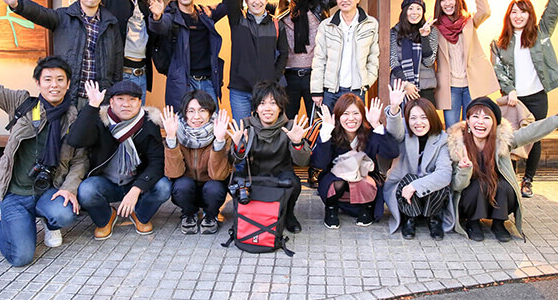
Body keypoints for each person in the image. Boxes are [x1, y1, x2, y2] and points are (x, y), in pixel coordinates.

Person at [0, 56, 88, 267]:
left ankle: (49, 222)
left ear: (68, 84)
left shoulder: (73, 117)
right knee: (21, 257)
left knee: (64, 213)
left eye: (60, 79)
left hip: (48, 191)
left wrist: (69, 189)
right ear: (38, 83)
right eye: (48, 79)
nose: (54, 85)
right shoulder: (22, 104)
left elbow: (80, 160)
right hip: (16, 194)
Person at [490, 0, 558, 198]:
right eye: (514, 12)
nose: (518, 16)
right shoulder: (499, 43)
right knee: (513, 137)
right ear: (508, 16)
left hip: (537, 95)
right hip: (513, 99)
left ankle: (528, 180)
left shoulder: (540, 34)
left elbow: (553, 10)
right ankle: (510, 178)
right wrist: (508, 90)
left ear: (529, 15)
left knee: (536, 136)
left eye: (523, 12)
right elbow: (498, 70)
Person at [448, 96, 558, 242]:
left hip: (494, 195)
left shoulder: (502, 139)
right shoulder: (458, 144)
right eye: (475, 116)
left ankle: (499, 223)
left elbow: (531, 132)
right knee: (476, 186)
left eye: (486, 118)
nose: (480, 122)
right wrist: (464, 169)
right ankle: (473, 223)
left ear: (494, 123)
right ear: (468, 121)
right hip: (470, 200)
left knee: (505, 186)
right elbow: (456, 186)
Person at [0, 0, 123, 109]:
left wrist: (115, 94)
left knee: (98, 130)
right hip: (70, 95)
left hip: (100, 96)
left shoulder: (111, 23)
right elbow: (40, 13)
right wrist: (17, 4)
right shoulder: (63, 16)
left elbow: (117, 60)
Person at [69, 80, 171, 240]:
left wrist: (137, 189)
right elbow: (75, 140)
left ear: (140, 102)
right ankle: (106, 218)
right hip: (106, 183)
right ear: (111, 102)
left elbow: (157, 162)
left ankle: (140, 215)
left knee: (164, 187)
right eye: (120, 99)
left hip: (136, 181)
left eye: (132, 99)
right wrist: (92, 106)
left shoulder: (149, 124)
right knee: (87, 191)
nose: (126, 104)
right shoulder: (100, 120)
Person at [148, 0, 244, 111]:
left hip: (208, 80)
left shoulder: (205, 13)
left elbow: (230, 6)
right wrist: (157, 16)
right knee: (183, 123)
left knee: (212, 122)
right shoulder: (171, 15)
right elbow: (160, 27)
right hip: (183, 81)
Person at [278, 0, 367, 119]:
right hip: (290, 76)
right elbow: (256, 5)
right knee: (287, 120)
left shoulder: (319, 5)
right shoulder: (282, 10)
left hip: (316, 75)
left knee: (318, 120)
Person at [228, 81, 311, 233]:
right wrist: (239, 146)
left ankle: (288, 215)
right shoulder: (245, 127)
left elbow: (302, 161)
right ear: (256, 108)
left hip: (280, 173)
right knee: (235, 180)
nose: (267, 108)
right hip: (253, 174)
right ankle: (245, 214)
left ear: (280, 107)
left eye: (273, 103)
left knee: (295, 183)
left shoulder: (290, 127)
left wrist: (297, 143)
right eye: (262, 103)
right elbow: (234, 161)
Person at [312, 94, 399, 229]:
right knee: (336, 184)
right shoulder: (332, 133)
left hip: (364, 178)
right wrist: (326, 132)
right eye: (346, 113)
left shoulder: (370, 132)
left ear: (362, 115)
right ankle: (331, 208)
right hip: (337, 179)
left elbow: (391, 153)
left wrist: (376, 124)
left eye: (355, 113)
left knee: (364, 183)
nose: (351, 118)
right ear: (338, 116)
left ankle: (367, 207)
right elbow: (320, 164)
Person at [225, 0, 289, 121]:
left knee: (266, 135)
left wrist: (273, 77)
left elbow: (284, 54)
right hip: (240, 92)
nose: (257, 1)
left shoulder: (276, 23)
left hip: (266, 93)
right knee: (243, 135)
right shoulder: (238, 20)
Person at [383, 80, 453, 240]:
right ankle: (409, 218)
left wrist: (415, 186)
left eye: (423, 117)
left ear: (431, 118)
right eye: (413, 118)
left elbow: (444, 174)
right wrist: (394, 108)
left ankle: (433, 218)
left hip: (429, 193)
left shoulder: (442, 139)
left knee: (438, 183)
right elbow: (394, 132)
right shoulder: (404, 131)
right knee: (409, 179)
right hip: (403, 189)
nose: (418, 123)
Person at [433, 0, 499, 129]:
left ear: (457, 0)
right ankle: (455, 156)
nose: (447, 3)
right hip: (450, 86)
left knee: (473, 126)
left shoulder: (469, 21)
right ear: (439, 4)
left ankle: (471, 155)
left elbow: (485, 11)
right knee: (452, 129)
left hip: (471, 83)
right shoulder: (435, 28)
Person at [161, 91, 231, 235]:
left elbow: (218, 175)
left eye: (202, 111)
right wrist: (171, 138)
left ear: (210, 113)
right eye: (190, 111)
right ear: (184, 113)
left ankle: (211, 215)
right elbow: (173, 173)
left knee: (215, 187)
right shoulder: (176, 131)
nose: (196, 117)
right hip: (187, 188)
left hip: (211, 186)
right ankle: (189, 213)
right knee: (182, 186)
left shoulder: (221, 132)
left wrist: (219, 141)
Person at [311, 0, 379, 111]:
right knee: (328, 128)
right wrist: (317, 91)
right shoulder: (326, 25)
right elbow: (319, 59)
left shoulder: (370, 24)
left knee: (356, 128)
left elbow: (373, 56)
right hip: (330, 91)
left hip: (357, 89)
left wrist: (367, 82)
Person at [390, 0, 438, 105]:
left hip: (425, 88)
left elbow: (429, 62)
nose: (414, 12)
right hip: (401, 87)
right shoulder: (394, 32)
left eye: (418, 8)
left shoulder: (432, 31)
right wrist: (406, 84)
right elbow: (393, 61)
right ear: (405, 11)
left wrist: (424, 37)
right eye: (411, 8)